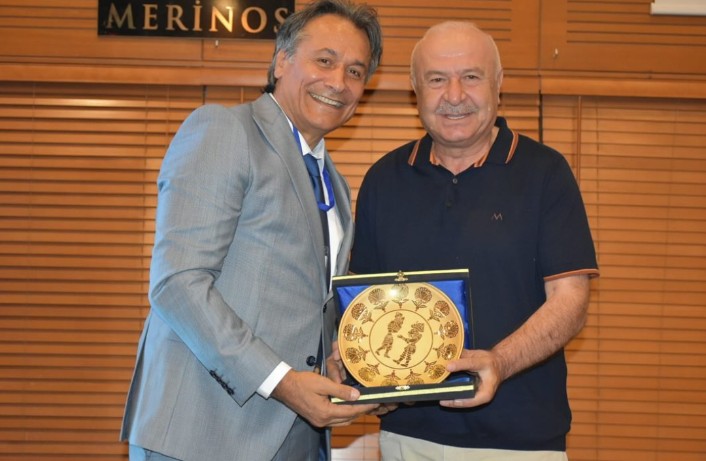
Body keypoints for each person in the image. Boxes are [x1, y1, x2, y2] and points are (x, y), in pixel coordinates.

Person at [120, 1, 383, 460]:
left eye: (355, 71)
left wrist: (347, 358)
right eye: (325, 60)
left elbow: (306, 304)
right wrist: (282, 381)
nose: (339, 82)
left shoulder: (335, 184)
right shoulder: (225, 130)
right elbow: (178, 283)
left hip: (297, 433)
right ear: (281, 61)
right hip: (204, 433)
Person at [349, 21, 599, 460]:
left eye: (471, 76)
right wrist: (367, 376)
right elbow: (365, 305)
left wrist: (498, 362)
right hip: (407, 438)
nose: (454, 95)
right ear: (415, 90)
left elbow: (570, 302)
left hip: (520, 444)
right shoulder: (383, 179)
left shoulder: (545, 173)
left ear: (497, 85)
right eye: (436, 79)